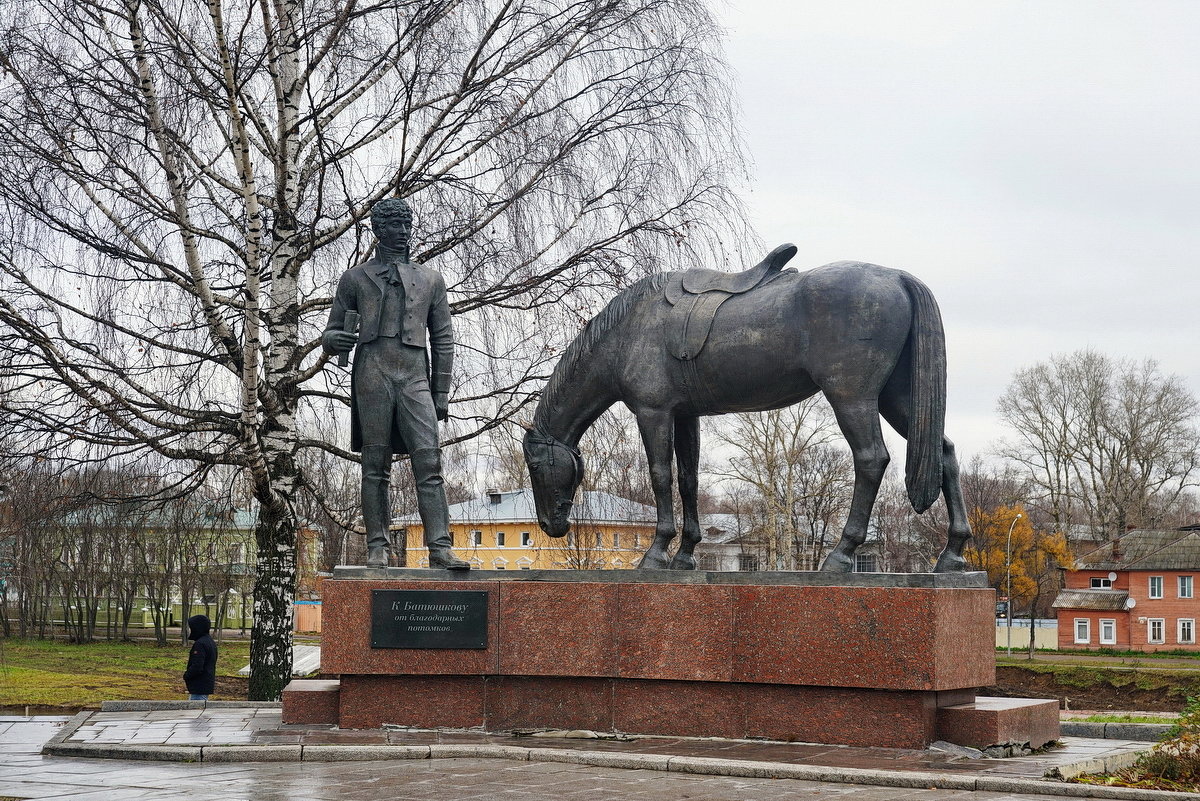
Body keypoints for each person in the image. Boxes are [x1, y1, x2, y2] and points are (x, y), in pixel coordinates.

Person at [323, 197, 469, 570]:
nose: (402, 233)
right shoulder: (355, 278)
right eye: (394, 225)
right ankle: (377, 545)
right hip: (372, 372)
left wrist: (440, 392)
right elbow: (332, 331)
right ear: (378, 229)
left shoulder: (431, 279)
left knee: (429, 461)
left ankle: (440, 546)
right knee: (375, 464)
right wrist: (333, 340)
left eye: (407, 225)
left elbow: (444, 338)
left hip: (414, 374)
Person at [184, 614, 217, 701]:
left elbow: (197, 666)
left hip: (199, 686)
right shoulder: (209, 641)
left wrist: (187, 675)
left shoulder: (200, 644)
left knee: (195, 711)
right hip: (204, 684)